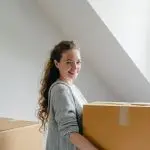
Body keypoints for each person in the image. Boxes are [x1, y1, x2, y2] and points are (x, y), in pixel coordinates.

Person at [37, 40, 99, 150]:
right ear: (57, 64)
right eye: (69, 62)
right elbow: (70, 133)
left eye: (78, 62)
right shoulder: (61, 90)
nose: (75, 67)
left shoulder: (72, 88)